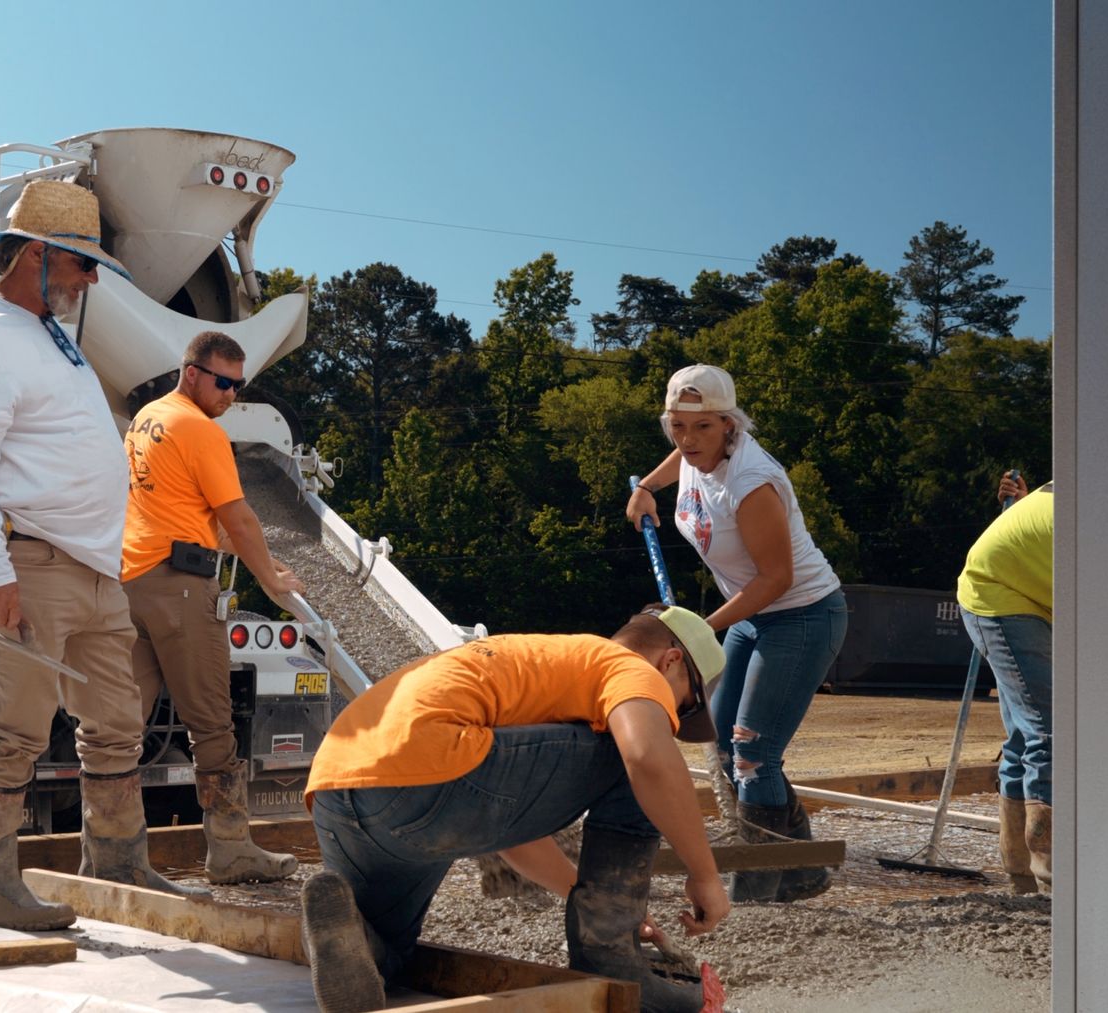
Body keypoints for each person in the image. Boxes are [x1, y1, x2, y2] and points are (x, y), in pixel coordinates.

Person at [0, 179, 205, 931]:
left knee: (118, 717)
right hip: (27, 562)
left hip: (88, 567)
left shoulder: (51, 336)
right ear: (36, 256)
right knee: (18, 725)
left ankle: (116, 859)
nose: (92, 280)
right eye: (82, 265)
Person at [298, 607, 730, 1013]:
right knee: (630, 752)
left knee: (388, 948)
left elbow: (512, 831)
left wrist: (597, 901)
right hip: (432, 773)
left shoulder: (540, 670)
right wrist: (705, 875)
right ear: (670, 661)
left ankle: (356, 944)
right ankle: (612, 963)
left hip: (340, 788)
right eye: (684, 705)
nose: (673, 715)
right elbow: (647, 760)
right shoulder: (626, 666)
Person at [625, 363, 846, 903]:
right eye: (677, 424)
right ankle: (803, 868)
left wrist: (697, 629)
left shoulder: (751, 484)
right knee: (724, 744)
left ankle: (756, 893)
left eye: (702, 426)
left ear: (730, 424)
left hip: (801, 614)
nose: (687, 438)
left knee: (753, 753)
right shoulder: (697, 452)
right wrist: (648, 488)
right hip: (752, 615)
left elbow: (778, 578)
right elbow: (685, 459)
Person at [119, 330, 306, 884]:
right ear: (192, 372)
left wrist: (211, 539)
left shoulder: (147, 419)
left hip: (132, 582)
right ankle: (229, 850)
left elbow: (171, 505)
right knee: (213, 726)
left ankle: (110, 854)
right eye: (223, 382)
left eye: (239, 386)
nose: (231, 395)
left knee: (118, 729)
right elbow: (240, 518)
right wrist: (270, 577)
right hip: (179, 590)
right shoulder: (199, 430)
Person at [956, 471, 1052, 894]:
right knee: (1050, 731)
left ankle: (1021, 873)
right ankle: (1053, 878)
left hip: (1027, 586)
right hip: (1000, 593)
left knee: (1024, 735)